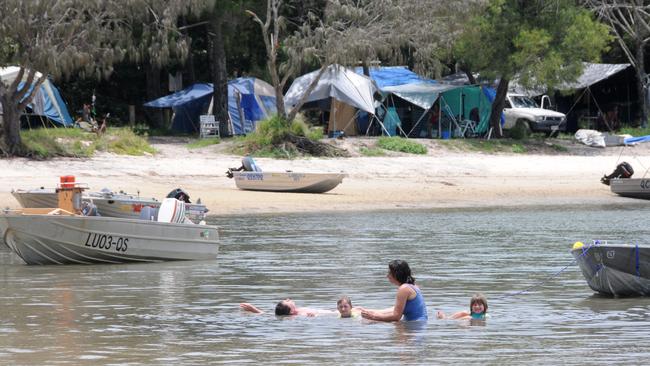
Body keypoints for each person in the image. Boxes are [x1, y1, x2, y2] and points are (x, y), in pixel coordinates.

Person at [359, 260, 428, 322]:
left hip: (414, 327)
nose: (387, 276)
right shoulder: (413, 286)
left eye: (389, 273)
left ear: (396, 274)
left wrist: (373, 317)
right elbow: (396, 309)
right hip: (419, 326)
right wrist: (368, 311)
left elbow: (396, 317)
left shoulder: (404, 289)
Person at [240, 299, 320, 317]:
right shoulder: (299, 314)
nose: (288, 299)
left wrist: (253, 309)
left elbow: (267, 314)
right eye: (287, 301)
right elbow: (308, 315)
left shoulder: (292, 312)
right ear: (292, 311)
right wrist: (313, 315)